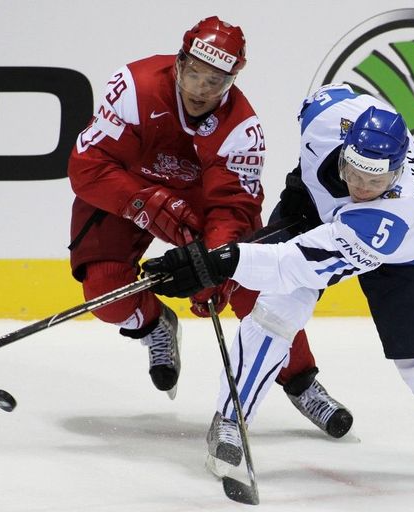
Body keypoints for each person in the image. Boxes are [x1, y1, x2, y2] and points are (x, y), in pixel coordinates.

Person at [142, 83, 414, 475]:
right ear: (345, 148)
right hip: (320, 213)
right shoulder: (325, 115)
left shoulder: (389, 216)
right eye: (353, 172)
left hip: (410, 259)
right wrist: (298, 195)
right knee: (275, 313)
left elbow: (292, 264)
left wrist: (218, 263)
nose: (361, 188)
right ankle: (229, 422)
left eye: (375, 181)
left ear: (395, 176)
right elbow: (324, 110)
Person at [66, 16, 352, 459]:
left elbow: (231, 210)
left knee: (252, 290)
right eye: (194, 73)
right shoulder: (134, 87)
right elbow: (88, 169)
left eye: (214, 80)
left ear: (232, 79)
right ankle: (154, 325)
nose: (200, 89)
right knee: (104, 290)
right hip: (127, 189)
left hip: (201, 206)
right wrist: (146, 202)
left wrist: (213, 267)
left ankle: (300, 380)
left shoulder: (243, 128)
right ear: (178, 63)